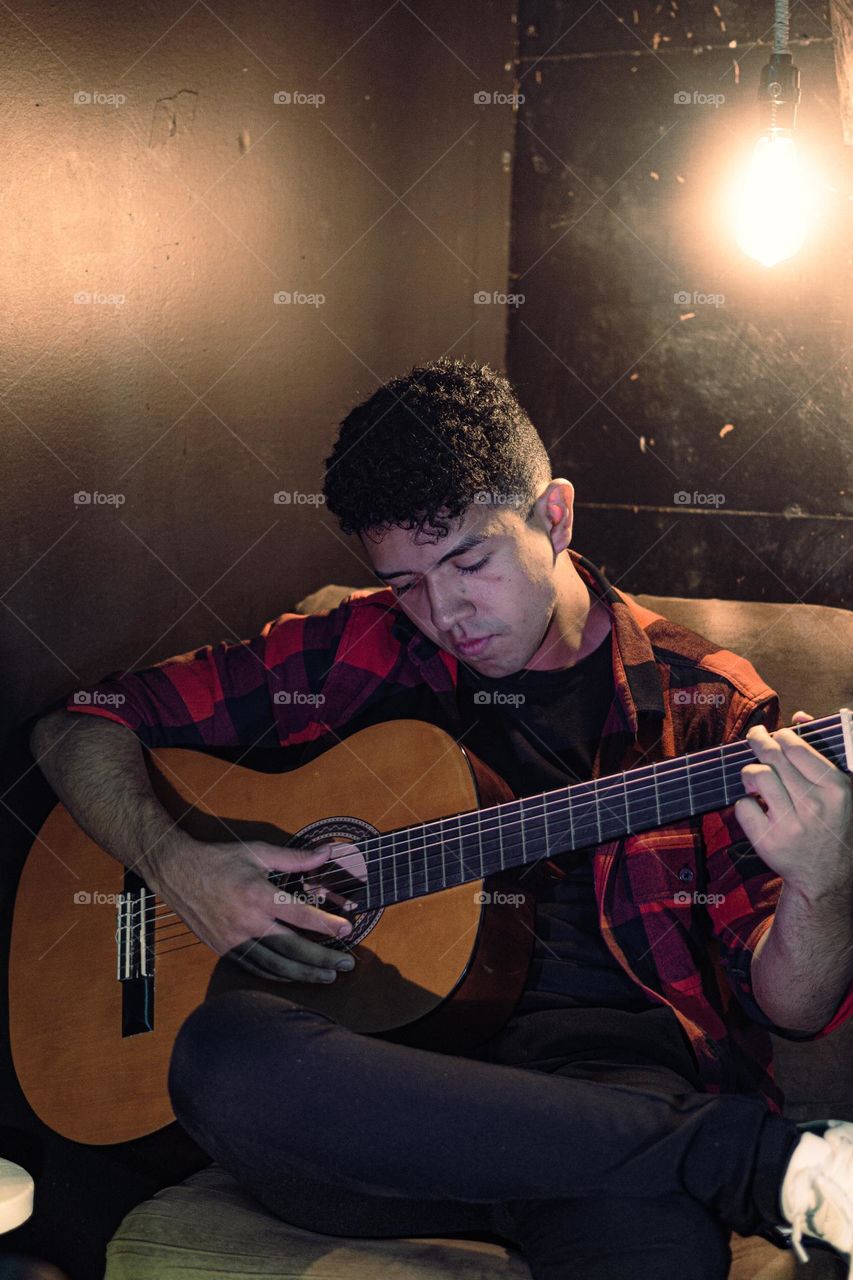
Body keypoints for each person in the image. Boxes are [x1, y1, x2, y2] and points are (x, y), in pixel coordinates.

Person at [30, 359, 853, 1280]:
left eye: (469, 562)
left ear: (554, 516)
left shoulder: (709, 706)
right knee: (223, 1057)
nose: (443, 612)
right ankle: (747, 1163)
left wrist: (824, 877)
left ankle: (661, 1157)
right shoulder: (358, 642)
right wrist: (178, 865)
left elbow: (793, 1006)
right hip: (376, 1100)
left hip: (607, 1092)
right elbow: (80, 723)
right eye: (407, 581)